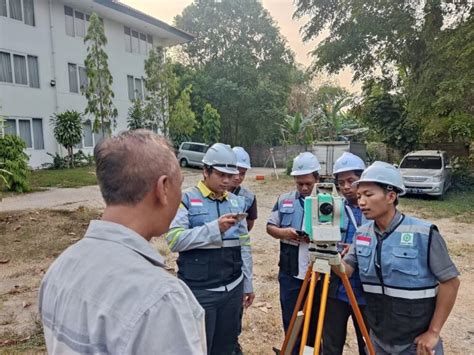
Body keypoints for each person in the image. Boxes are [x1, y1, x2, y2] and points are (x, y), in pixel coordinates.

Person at [38, 130, 206, 355]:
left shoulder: (60, 268)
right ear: (163, 188)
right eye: (180, 184)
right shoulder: (160, 299)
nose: (182, 194)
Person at [335, 161, 460, 355]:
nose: (361, 202)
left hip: (416, 344)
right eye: (359, 196)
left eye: (368, 195)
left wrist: (433, 332)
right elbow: (346, 271)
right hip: (377, 341)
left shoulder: (424, 233)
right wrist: (326, 254)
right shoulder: (361, 234)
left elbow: (450, 282)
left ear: (391, 196)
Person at [166, 143, 254, 355]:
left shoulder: (236, 203)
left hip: (232, 289)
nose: (226, 181)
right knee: (198, 347)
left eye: (230, 175)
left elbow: (244, 245)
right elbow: (174, 240)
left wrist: (247, 283)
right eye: (221, 175)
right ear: (205, 171)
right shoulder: (186, 199)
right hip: (200, 292)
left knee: (226, 346)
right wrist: (213, 229)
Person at [266, 152, 323, 351]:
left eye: (308, 183)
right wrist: (285, 233)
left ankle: (310, 351)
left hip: (319, 277)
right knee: (291, 321)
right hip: (290, 274)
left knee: (315, 325)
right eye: (300, 184)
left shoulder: (329, 202)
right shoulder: (284, 200)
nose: (304, 188)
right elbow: (270, 227)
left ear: (318, 178)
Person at [323, 152, 369, 355]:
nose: (346, 186)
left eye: (351, 180)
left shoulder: (374, 210)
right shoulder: (332, 207)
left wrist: (359, 247)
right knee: (331, 344)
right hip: (336, 289)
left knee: (368, 344)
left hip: (365, 292)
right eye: (341, 182)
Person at [229, 146, 258, 355]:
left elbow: (248, 226)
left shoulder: (248, 197)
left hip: (236, 257)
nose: (239, 177)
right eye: (236, 171)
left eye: (243, 173)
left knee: (234, 309)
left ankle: (233, 341)